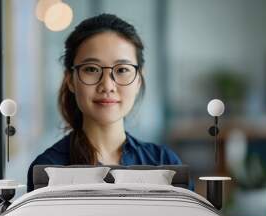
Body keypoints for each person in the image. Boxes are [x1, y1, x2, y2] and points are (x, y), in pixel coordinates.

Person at [27, 13, 192, 192]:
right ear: (70, 80)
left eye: (122, 69)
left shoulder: (164, 162)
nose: (107, 85)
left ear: (138, 80)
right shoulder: (49, 168)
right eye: (91, 69)